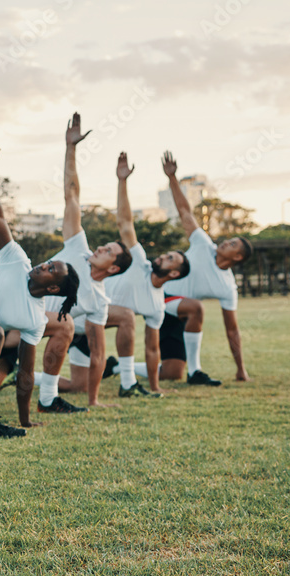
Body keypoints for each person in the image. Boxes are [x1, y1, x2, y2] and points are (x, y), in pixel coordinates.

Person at [0, 132, 82, 429]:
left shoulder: (34, 319)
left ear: (52, 288)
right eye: (49, 262)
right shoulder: (16, 261)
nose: (43, 265)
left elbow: (25, 372)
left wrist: (24, 420)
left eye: (51, 269)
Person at [31, 114, 133, 408]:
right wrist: (71, 148)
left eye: (108, 250)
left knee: (80, 380)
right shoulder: (78, 247)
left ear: (113, 268)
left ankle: (38, 387)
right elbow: (71, 194)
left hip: (41, 329)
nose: (100, 247)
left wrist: (94, 400)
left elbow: (99, 353)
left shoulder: (98, 301)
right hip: (15, 317)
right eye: (104, 245)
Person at [160, 151, 252, 385]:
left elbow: (232, 330)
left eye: (232, 244)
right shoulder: (203, 244)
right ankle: (196, 372)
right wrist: (172, 177)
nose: (225, 242)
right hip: (160, 294)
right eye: (229, 240)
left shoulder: (227, 287)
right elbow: (184, 212)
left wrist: (241, 369)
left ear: (237, 257)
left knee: (170, 373)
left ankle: (116, 366)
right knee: (197, 307)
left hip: (179, 313)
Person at [105, 151, 192, 396]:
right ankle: (127, 382)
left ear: (173, 274)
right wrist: (122, 181)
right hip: (81, 312)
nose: (163, 256)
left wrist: (155, 387)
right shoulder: (139, 262)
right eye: (167, 254)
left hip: (99, 325)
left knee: (77, 385)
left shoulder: (156, 306)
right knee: (127, 317)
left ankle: (126, 379)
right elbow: (125, 223)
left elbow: (152, 349)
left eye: (170, 259)